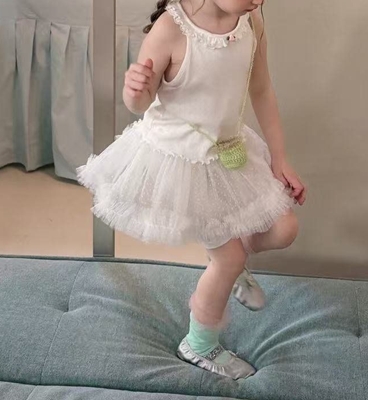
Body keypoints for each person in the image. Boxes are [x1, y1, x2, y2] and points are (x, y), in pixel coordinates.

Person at [77, 0, 307, 380]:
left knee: (284, 229)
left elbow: (262, 89)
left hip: (229, 153)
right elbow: (139, 103)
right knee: (229, 258)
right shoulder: (172, 28)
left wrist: (280, 158)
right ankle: (199, 343)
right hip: (182, 164)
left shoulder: (251, 19)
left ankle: (229, 271)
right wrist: (134, 89)